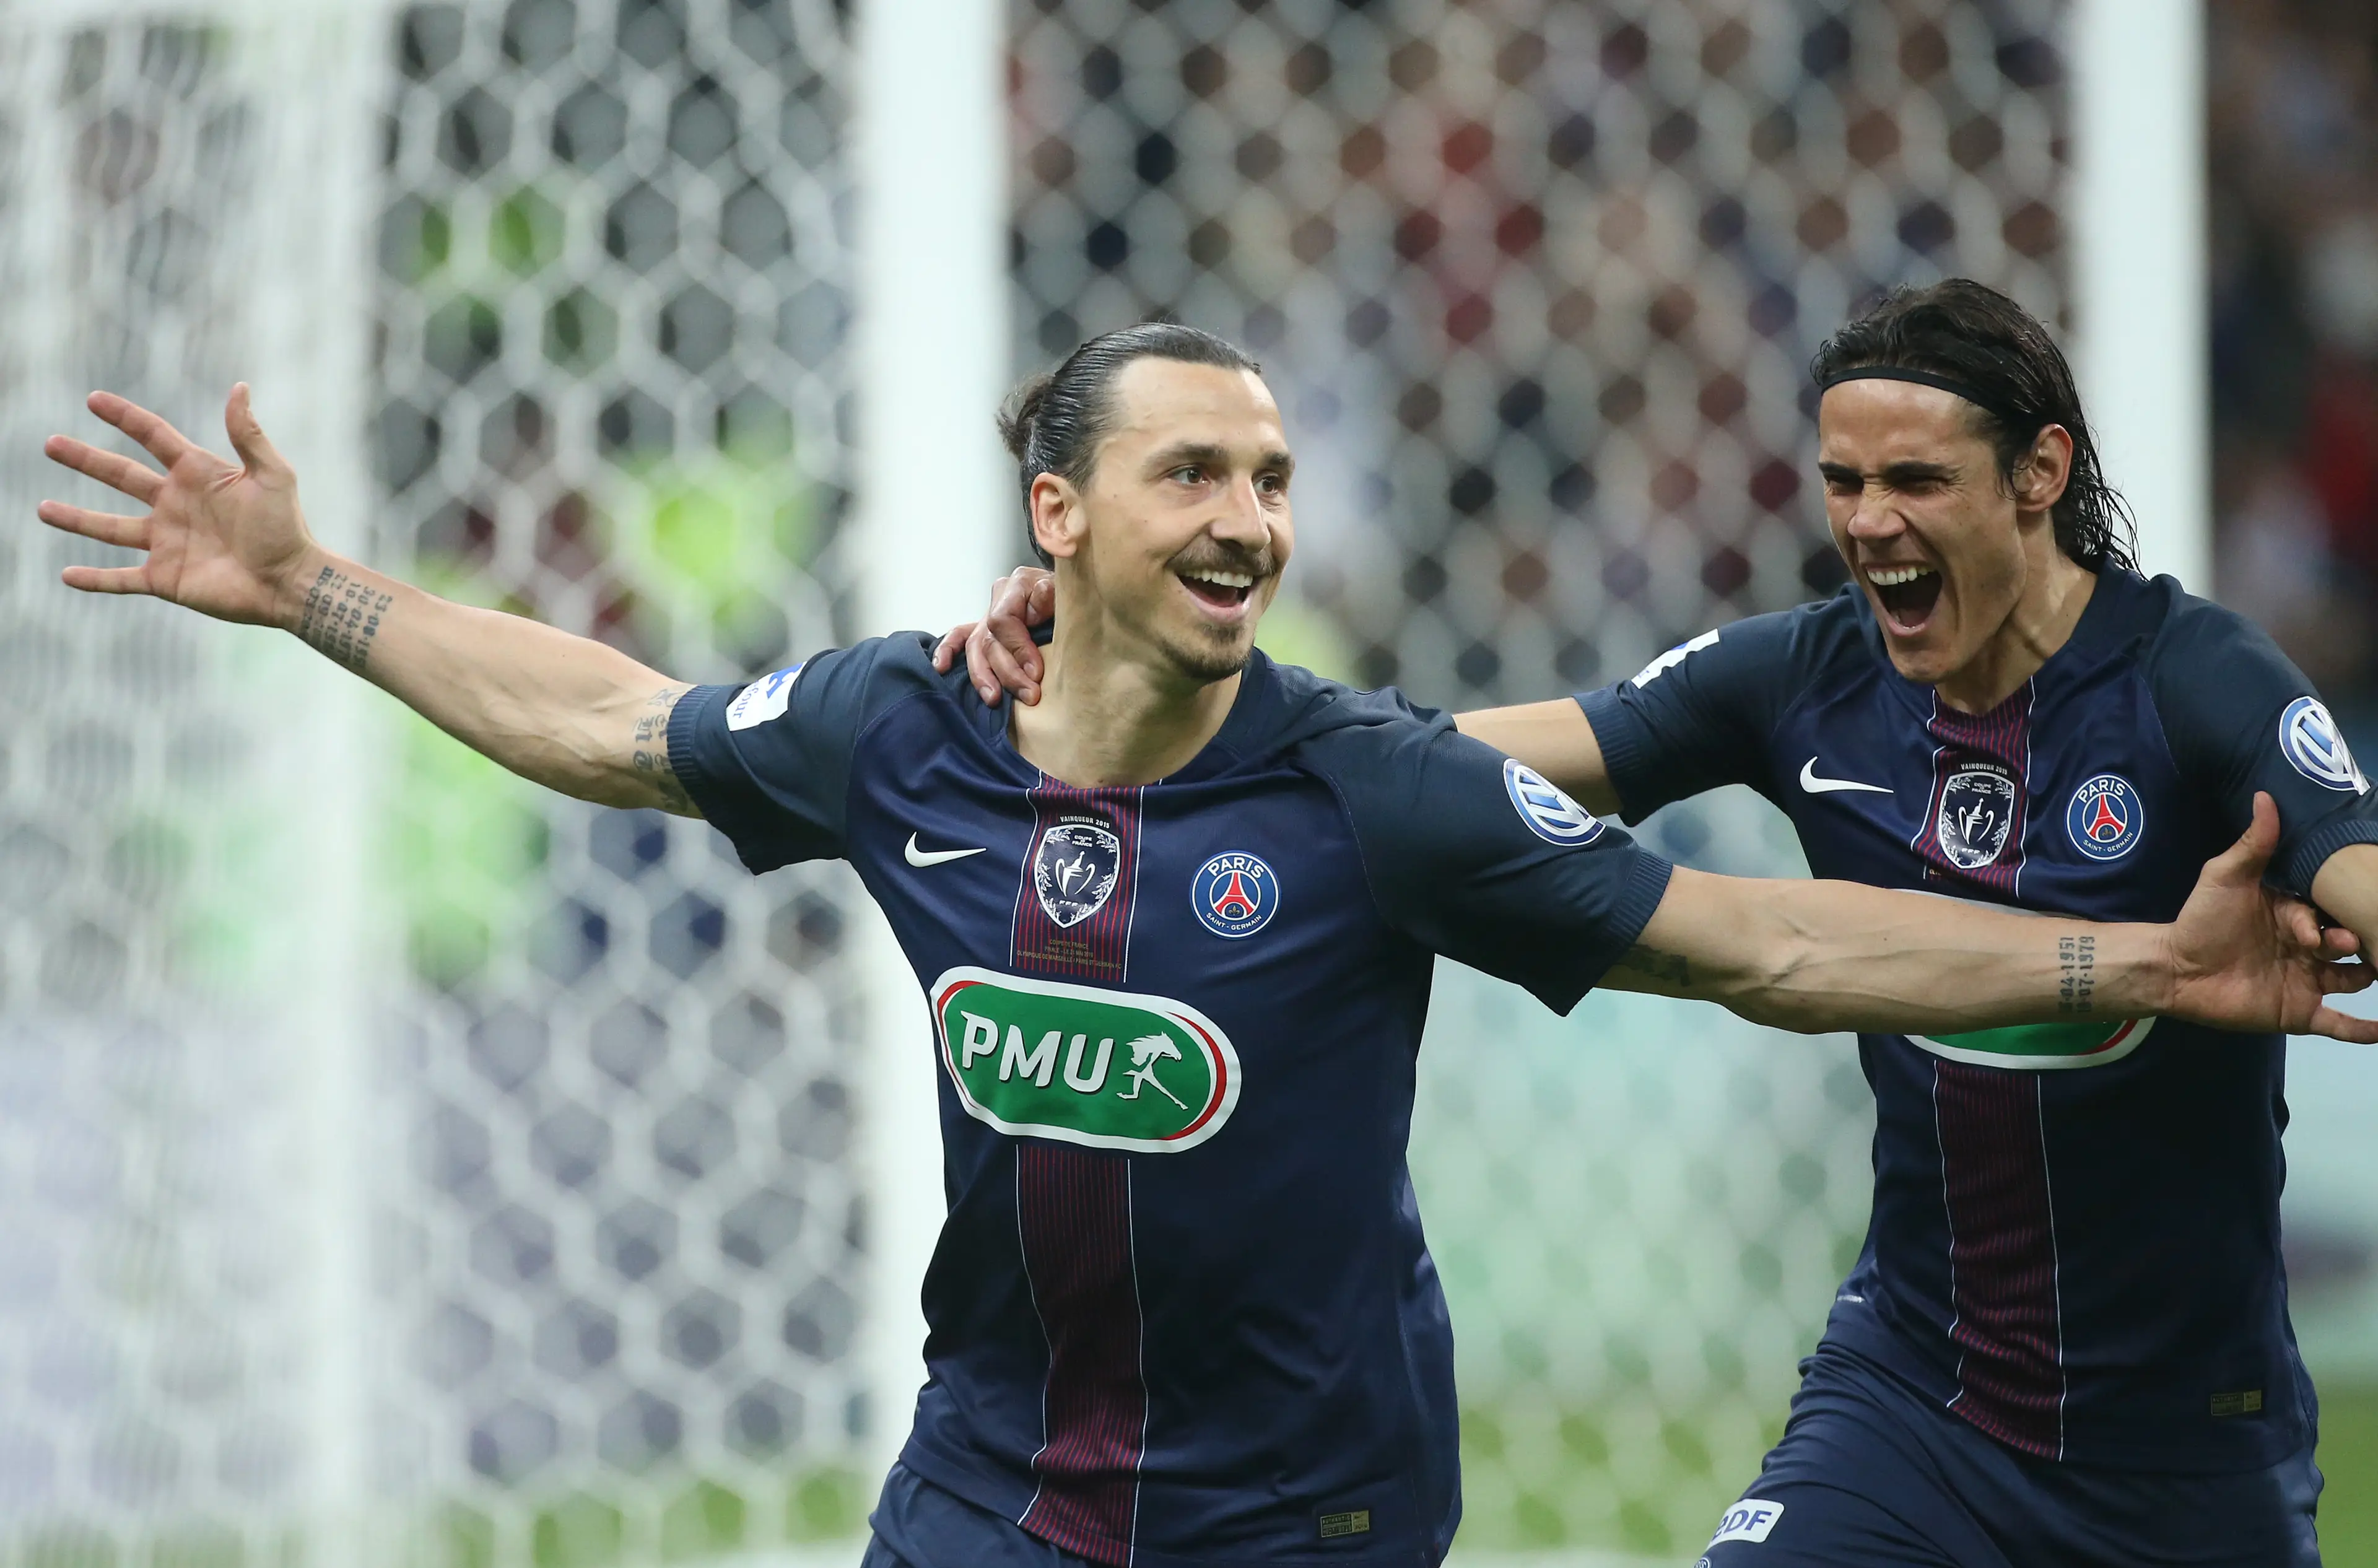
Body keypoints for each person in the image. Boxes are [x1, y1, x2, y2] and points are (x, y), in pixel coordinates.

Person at [35, 322, 2371, 1568]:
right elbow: (618, 723)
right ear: (1058, 513)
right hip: (995, 1480)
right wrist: (317, 594)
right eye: (1193, 475)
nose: (1252, 517)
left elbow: (1754, 937)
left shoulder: (1377, 791)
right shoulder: (897, 727)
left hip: (1312, 1511)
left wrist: (2120, 972)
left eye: (1268, 477)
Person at [946, 289, 2378, 1567]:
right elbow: (1442, 760)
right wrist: (1108, 645)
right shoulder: (1808, 676)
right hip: (1917, 1398)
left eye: (1917, 481)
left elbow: (2347, 855)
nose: (1869, 521)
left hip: (2191, 1435)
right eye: (1845, 482)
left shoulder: (2190, 677)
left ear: (2039, 477)